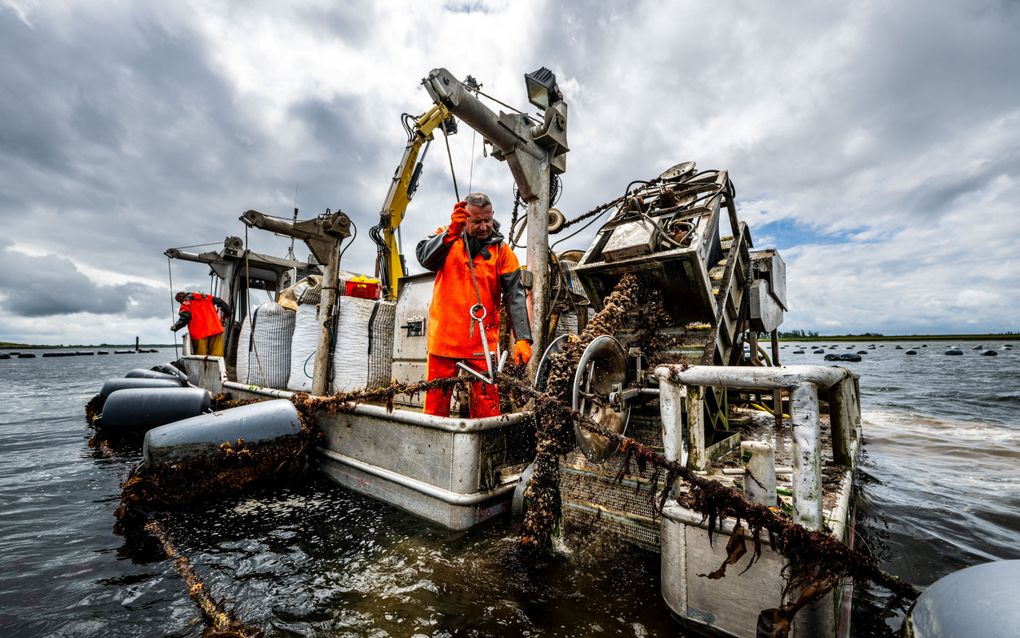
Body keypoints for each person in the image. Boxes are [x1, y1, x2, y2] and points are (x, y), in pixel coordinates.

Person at [415, 192, 532, 418]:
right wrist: (451, 232)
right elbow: (424, 257)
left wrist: (523, 339)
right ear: (465, 218)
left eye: (487, 220)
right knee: (436, 402)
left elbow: (514, 295)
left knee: (487, 402)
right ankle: (432, 448)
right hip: (444, 340)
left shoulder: (502, 252)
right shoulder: (447, 236)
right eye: (477, 221)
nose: (484, 226)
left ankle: (484, 450)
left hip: (481, 342)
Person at [171, 291, 229, 356]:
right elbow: (220, 302)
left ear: (180, 299)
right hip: (215, 329)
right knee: (217, 355)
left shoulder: (186, 303)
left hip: (199, 333)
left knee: (201, 356)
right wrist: (228, 313)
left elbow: (185, 318)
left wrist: (175, 327)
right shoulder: (206, 297)